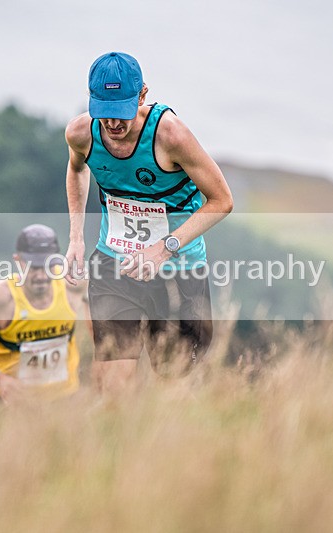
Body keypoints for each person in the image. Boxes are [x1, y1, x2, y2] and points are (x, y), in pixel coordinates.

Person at [64, 51, 233, 392]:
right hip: (114, 265)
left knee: (174, 382)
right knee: (113, 383)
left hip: (178, 272)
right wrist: (76, 238)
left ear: (142, 95)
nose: (113, 123)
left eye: (121, 112)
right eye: (104, 111)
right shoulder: (81, 133)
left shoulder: (170, 135)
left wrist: (164, 248)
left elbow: (222, 201)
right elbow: (77, 169)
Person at [0, 224, 89, 403]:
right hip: (13, 404)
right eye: (34, 267)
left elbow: (103, 336)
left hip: (65, 401)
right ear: (18, 261)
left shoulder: (74, 285)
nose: (41, 276)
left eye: (47, 266)